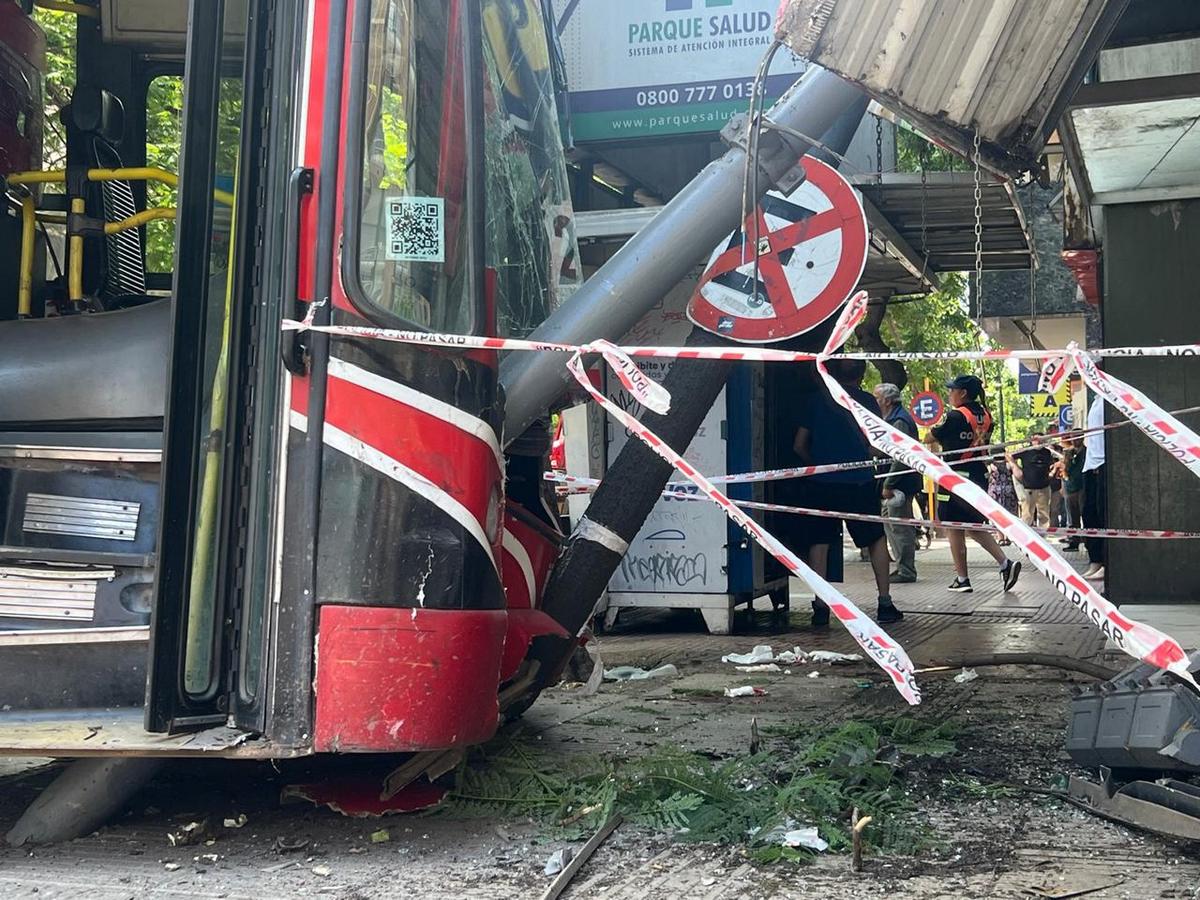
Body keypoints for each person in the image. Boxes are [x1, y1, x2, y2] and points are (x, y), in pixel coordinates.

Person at [793, 358, 903, 625]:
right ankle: (885, 604)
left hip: (823, 483)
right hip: (860, 483)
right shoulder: (867, 402)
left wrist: (817, 464)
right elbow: (877, 445)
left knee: (820, 542)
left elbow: (798, 445)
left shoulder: (817, 401)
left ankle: (821, 608)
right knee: (876, 539)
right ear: (862, 375)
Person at [931, 374, 1022, 593]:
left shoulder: (955, 416)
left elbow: (931, 437)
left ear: (963, 393)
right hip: (978, 477)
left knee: (954, 527)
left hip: (954, 479)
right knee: (972, 524)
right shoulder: (986, 416)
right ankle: (1004, 563)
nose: (949, 394)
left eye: (952, 390)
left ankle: (963, 579)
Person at [873, 383, 921, 583]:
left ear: (887, 400)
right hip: (894, 481)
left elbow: (900, 457)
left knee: (900, 527)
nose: (874, 402)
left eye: (876, 398)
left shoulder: (899, 421)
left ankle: (907, 570)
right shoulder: (891, 419)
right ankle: (901, 565)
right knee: (889, 523)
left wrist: (889, 483)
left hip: (900, 483)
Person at [1081, 394, 1107, 581]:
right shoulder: (1096, 399)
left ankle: (1106, 562)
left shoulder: (1107, 398)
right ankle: (1095, 560)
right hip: (1090, 464)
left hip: (1102, 463)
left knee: (1102, 514)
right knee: (1088, 514)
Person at [1008, 431, 1053, 527]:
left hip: (1044, 487)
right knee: (1027, 515)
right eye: (1036, 440)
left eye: (1041, 440)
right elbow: (1009, 455)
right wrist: (1015, 467)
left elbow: (1051, 465)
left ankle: (1042, 537)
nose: (1038, 442)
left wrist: (1051, 474)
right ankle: (1027, 536)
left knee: (1044, 515)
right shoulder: (1025, 451)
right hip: (1029, 487)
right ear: (1032, 441)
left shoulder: (1047, 452)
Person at [986, 457, 1019, 545]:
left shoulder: (991, 465)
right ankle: (1008, 537)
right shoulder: (1009, 464)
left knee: (997, 516)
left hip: (995, 493)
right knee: (1010, 515)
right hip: (1009, 492)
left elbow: (987, 475)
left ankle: (1000, 538)